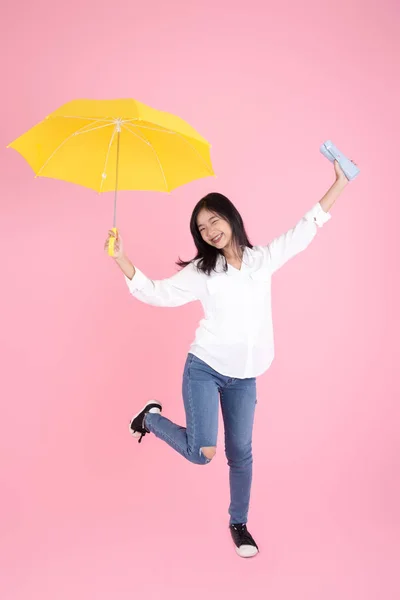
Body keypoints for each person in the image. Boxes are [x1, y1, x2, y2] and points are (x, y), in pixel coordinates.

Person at [104, 159, 356, 558]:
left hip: (245, 377)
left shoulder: (262, 260)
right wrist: (121, 258)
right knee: (203, 453)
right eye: (201, 229)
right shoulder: (204, 272)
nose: (209, 231)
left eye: (214, 221)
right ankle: (149, 419)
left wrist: (340, 183)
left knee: (241, 453)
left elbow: (306, 229)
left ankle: (239, 524)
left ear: (231, 217)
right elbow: (158, 293)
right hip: (205, 369)